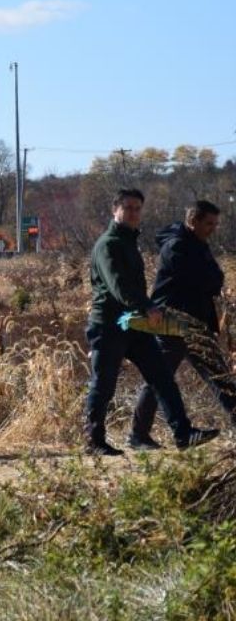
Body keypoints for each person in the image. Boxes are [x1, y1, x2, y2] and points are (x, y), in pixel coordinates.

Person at [84, 188, 219, 456]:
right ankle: (94, 441)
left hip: (134, 324)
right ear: (115, 209)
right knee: (104, 384)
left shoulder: (128, 242)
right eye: (128, 207)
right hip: (109, 325)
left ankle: (184, 434)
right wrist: (147, 306)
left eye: (137, 208)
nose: (134, 213)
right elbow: (119, 286)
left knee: (162, 378)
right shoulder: (109, 244)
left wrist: (144, 310)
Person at [128, 200, 236, 448]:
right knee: (161, 378)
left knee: (219, 376)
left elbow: (214, 279)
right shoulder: (178, 246)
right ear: (193, 221)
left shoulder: (196, 244)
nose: (213, 228)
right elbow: (206, 281)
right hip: (173, 325)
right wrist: (214, 278)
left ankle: (139, 434)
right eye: (209, 223)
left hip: (195, 323)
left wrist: (214, 279)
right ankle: (138, 435)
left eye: (216, 223)